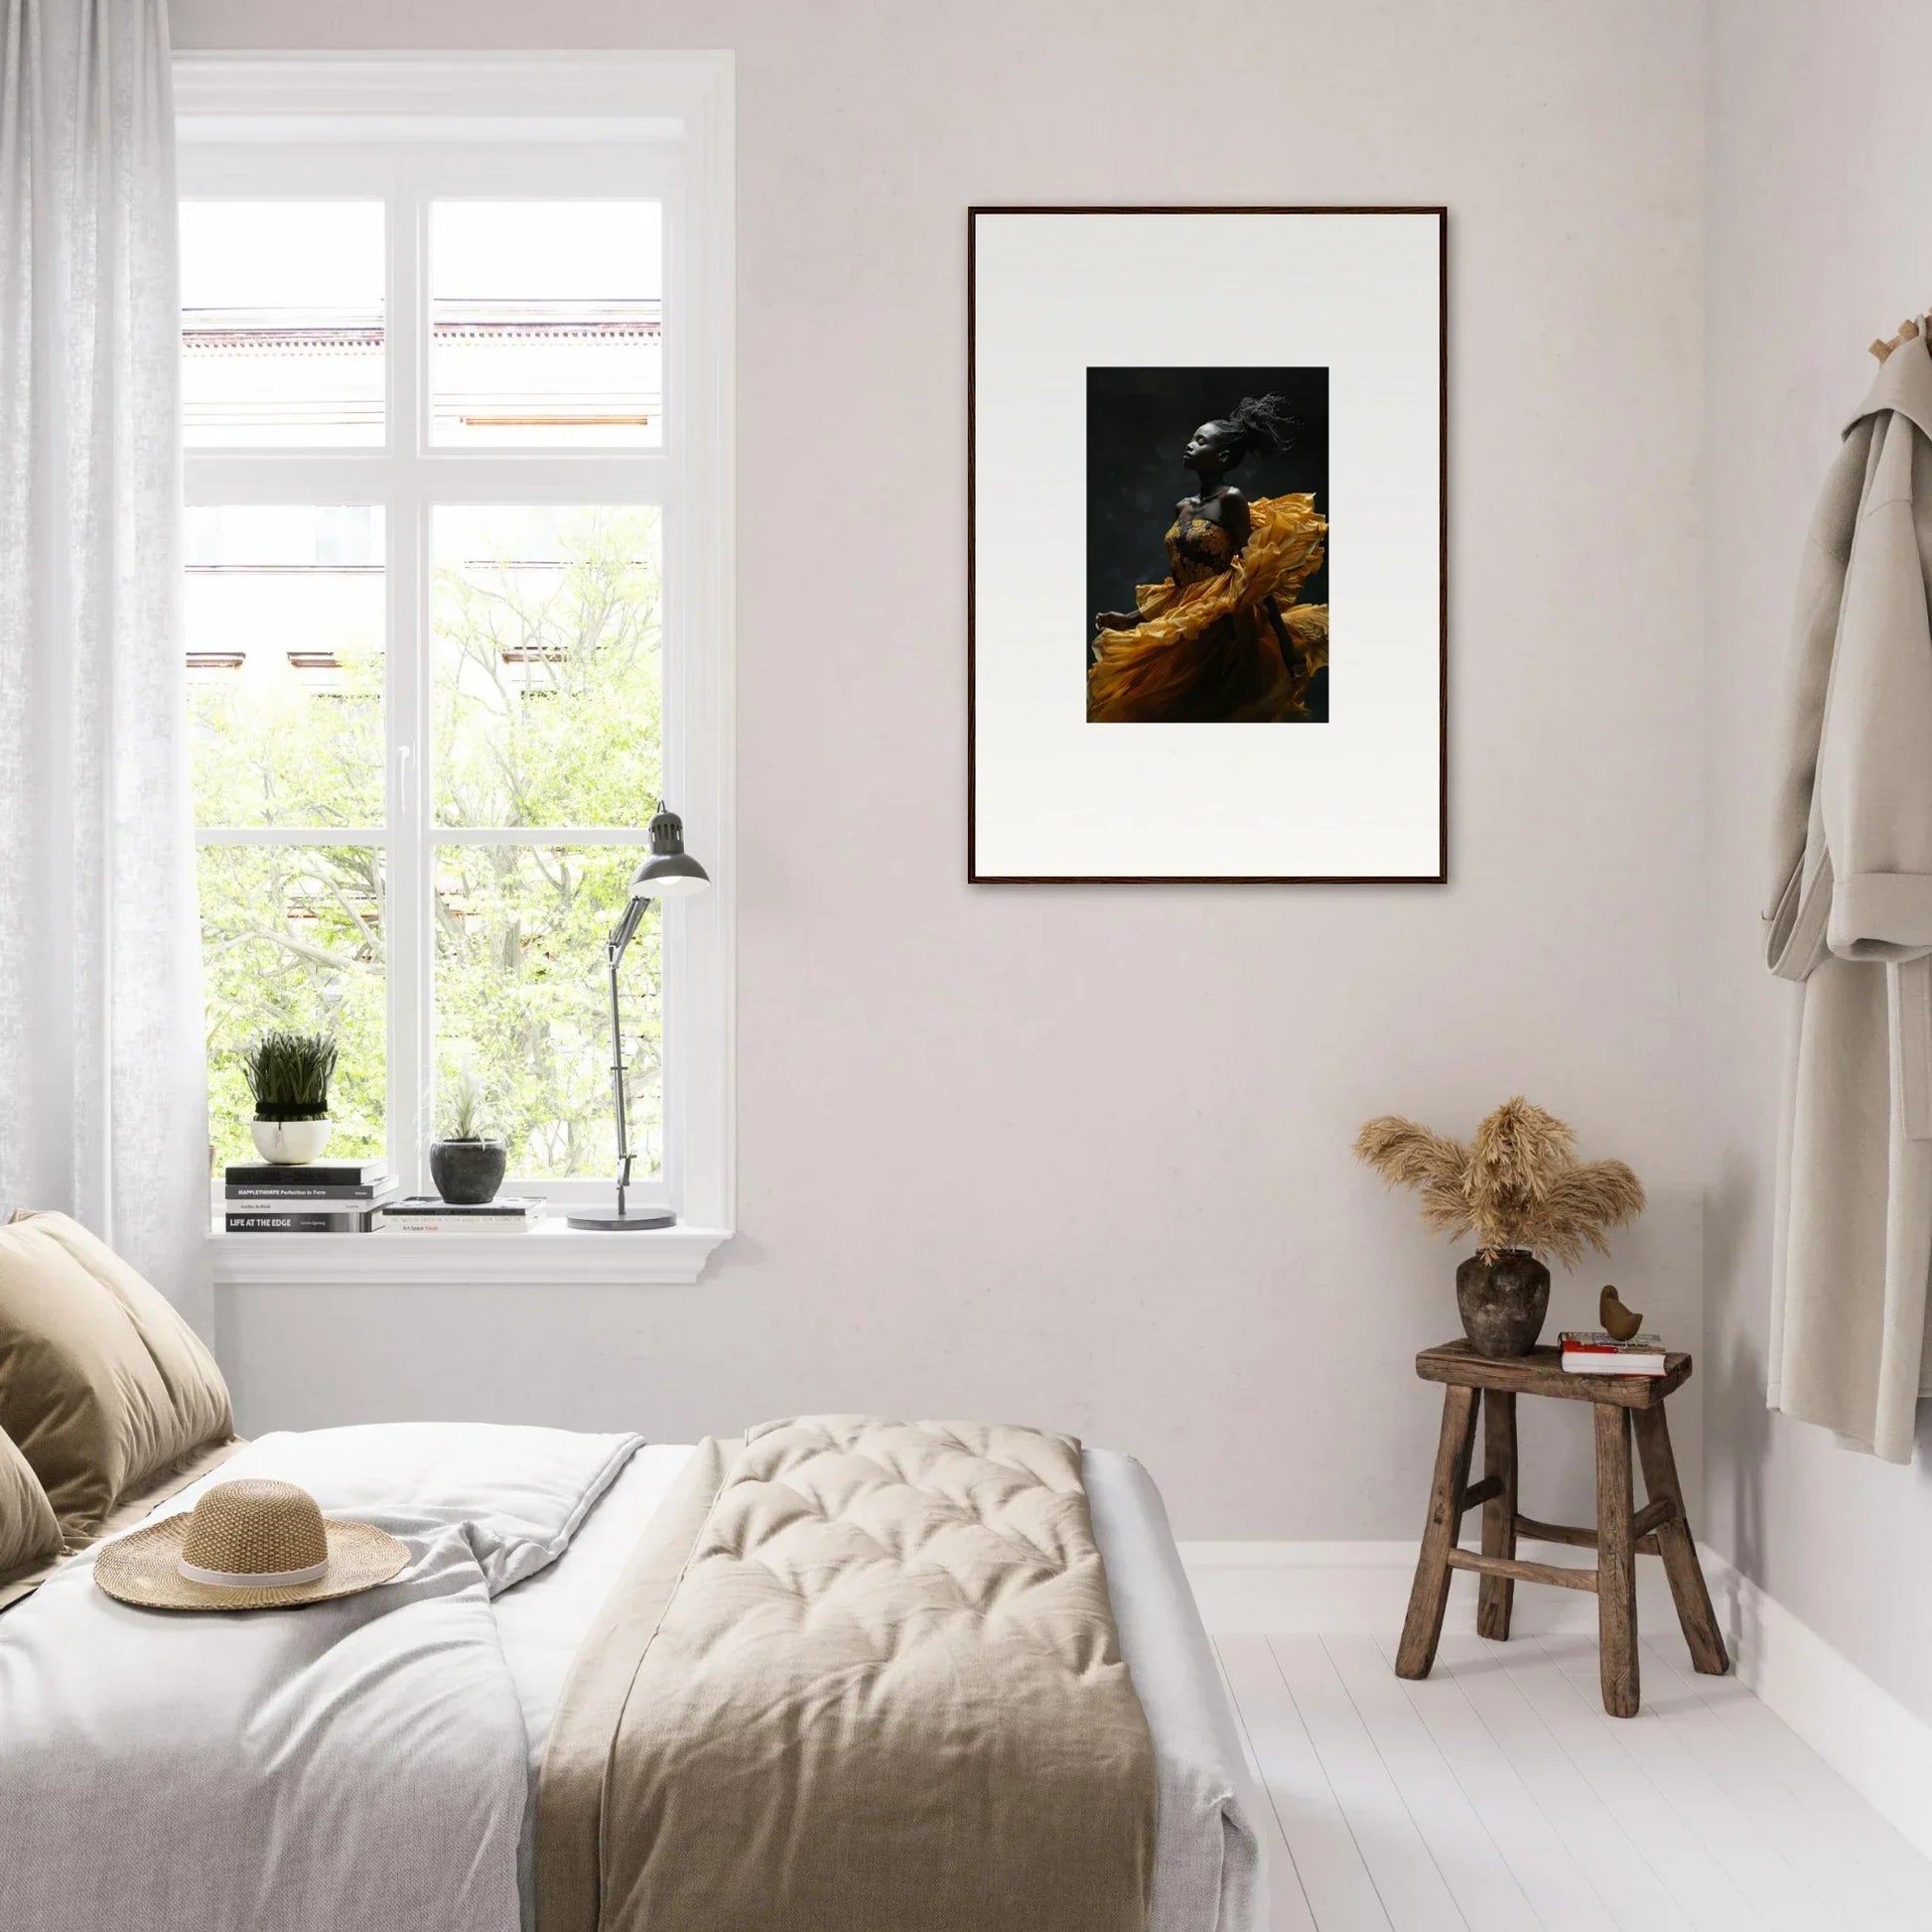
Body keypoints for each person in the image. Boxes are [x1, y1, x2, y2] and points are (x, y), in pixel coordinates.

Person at [1089, 393, 1328, 723]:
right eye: (1191, 438)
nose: (1189, 445)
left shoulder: (1231, 500)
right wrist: (1131, 619)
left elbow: (1255, 573)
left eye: (1200, 441)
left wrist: (1286, 646)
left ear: (1222, 456)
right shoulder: (1182, 507)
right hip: (1188, 626)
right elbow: (1180, 585)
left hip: (1225, 629)